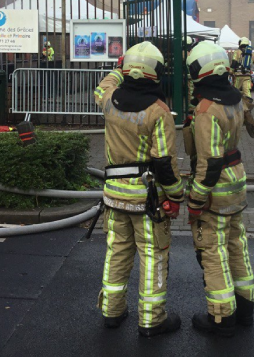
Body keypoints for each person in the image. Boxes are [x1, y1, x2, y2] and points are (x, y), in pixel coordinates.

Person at [93, 41, 185, 337]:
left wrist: (119, 69)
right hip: (148, 201)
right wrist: (176, 196)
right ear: (156, 74)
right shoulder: (159, 111)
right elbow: (164, 163)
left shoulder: (109, 99)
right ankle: (152, 320)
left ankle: (112, 311)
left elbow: (101, 86)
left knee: (117, 252)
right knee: (153, 256)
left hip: (114, 196)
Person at [185, 41, 254, 337]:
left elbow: (208, 163)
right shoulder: (236, 99)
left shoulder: (206, 109)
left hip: (215, 190)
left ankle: (221, 317)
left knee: (213, 253)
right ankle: (245, 309)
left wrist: (195, 200)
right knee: (237, 247)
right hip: (237, 183)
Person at [230, 38, 254, 138]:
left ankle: (235, 109)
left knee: (235, 92)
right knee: (247, 93)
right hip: (247, 76)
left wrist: (230, 71)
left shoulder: (237, 52)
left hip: (238, 76)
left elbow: (234, 63)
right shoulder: (250, 54)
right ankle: (248, 109)